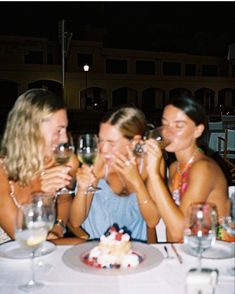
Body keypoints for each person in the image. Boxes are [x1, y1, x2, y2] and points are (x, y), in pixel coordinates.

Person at [70, 106, 164, 242]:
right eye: (101, 140)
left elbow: (152, 221)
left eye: (111, 143)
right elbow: (76, 222)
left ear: (135, 142)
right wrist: (82, 190)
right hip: (97, 247)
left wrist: (136, 182)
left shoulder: (150, 163)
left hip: (135, 250)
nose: (104, 149)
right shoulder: (97, 160)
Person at [145, 96, 229, 242]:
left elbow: (180, 233)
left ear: (198, 130)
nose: (167, 132)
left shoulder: (203, 169)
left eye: (178, 126)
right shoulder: (174, 167)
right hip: (183, 255)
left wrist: (153, 174)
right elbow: (156, 216)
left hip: (213, 256)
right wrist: (150, 166)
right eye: (165, 124)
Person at [0, 88, 79, 244]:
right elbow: (21, 238)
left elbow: (65, 196)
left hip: (44, 251)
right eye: (58, 130)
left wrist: (59, 226)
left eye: (65, 129)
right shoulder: (2, 170)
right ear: (31, 130)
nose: (64, 139)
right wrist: (45, 194)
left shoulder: (62, 159)